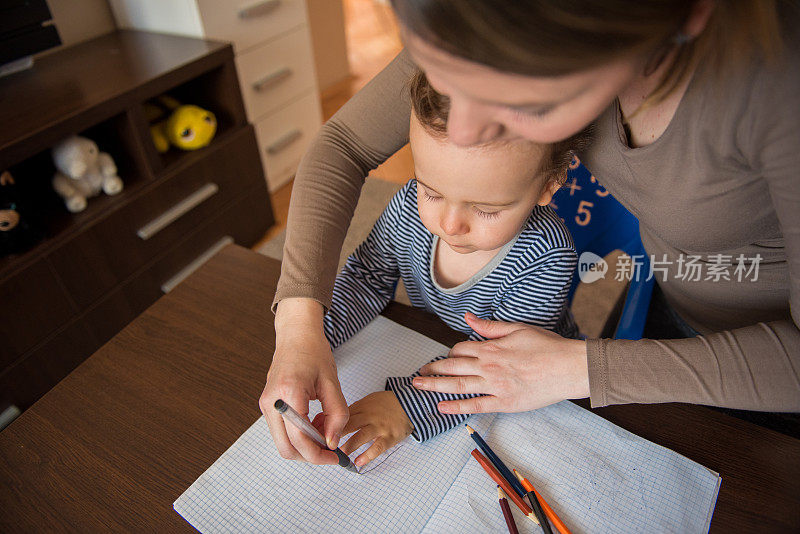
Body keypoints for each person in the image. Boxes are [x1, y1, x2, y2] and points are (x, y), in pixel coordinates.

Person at [260, 0, 800, 468]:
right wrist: (302, 326)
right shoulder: (491, 21)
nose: (462, 132)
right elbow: (344, 146)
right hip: (673, 306)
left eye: (515, 95)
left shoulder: (777, 87)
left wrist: (587, 367)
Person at [321, 72, 586, 467]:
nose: (450, 226)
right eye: (431, 191)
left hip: (529, 375)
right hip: (436, 340)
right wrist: (317, 337)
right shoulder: (409, 206)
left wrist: (407, 407)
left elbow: (498, 363)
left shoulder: (545, 254)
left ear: (549, 185)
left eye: (486, 209)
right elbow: (366, 277)